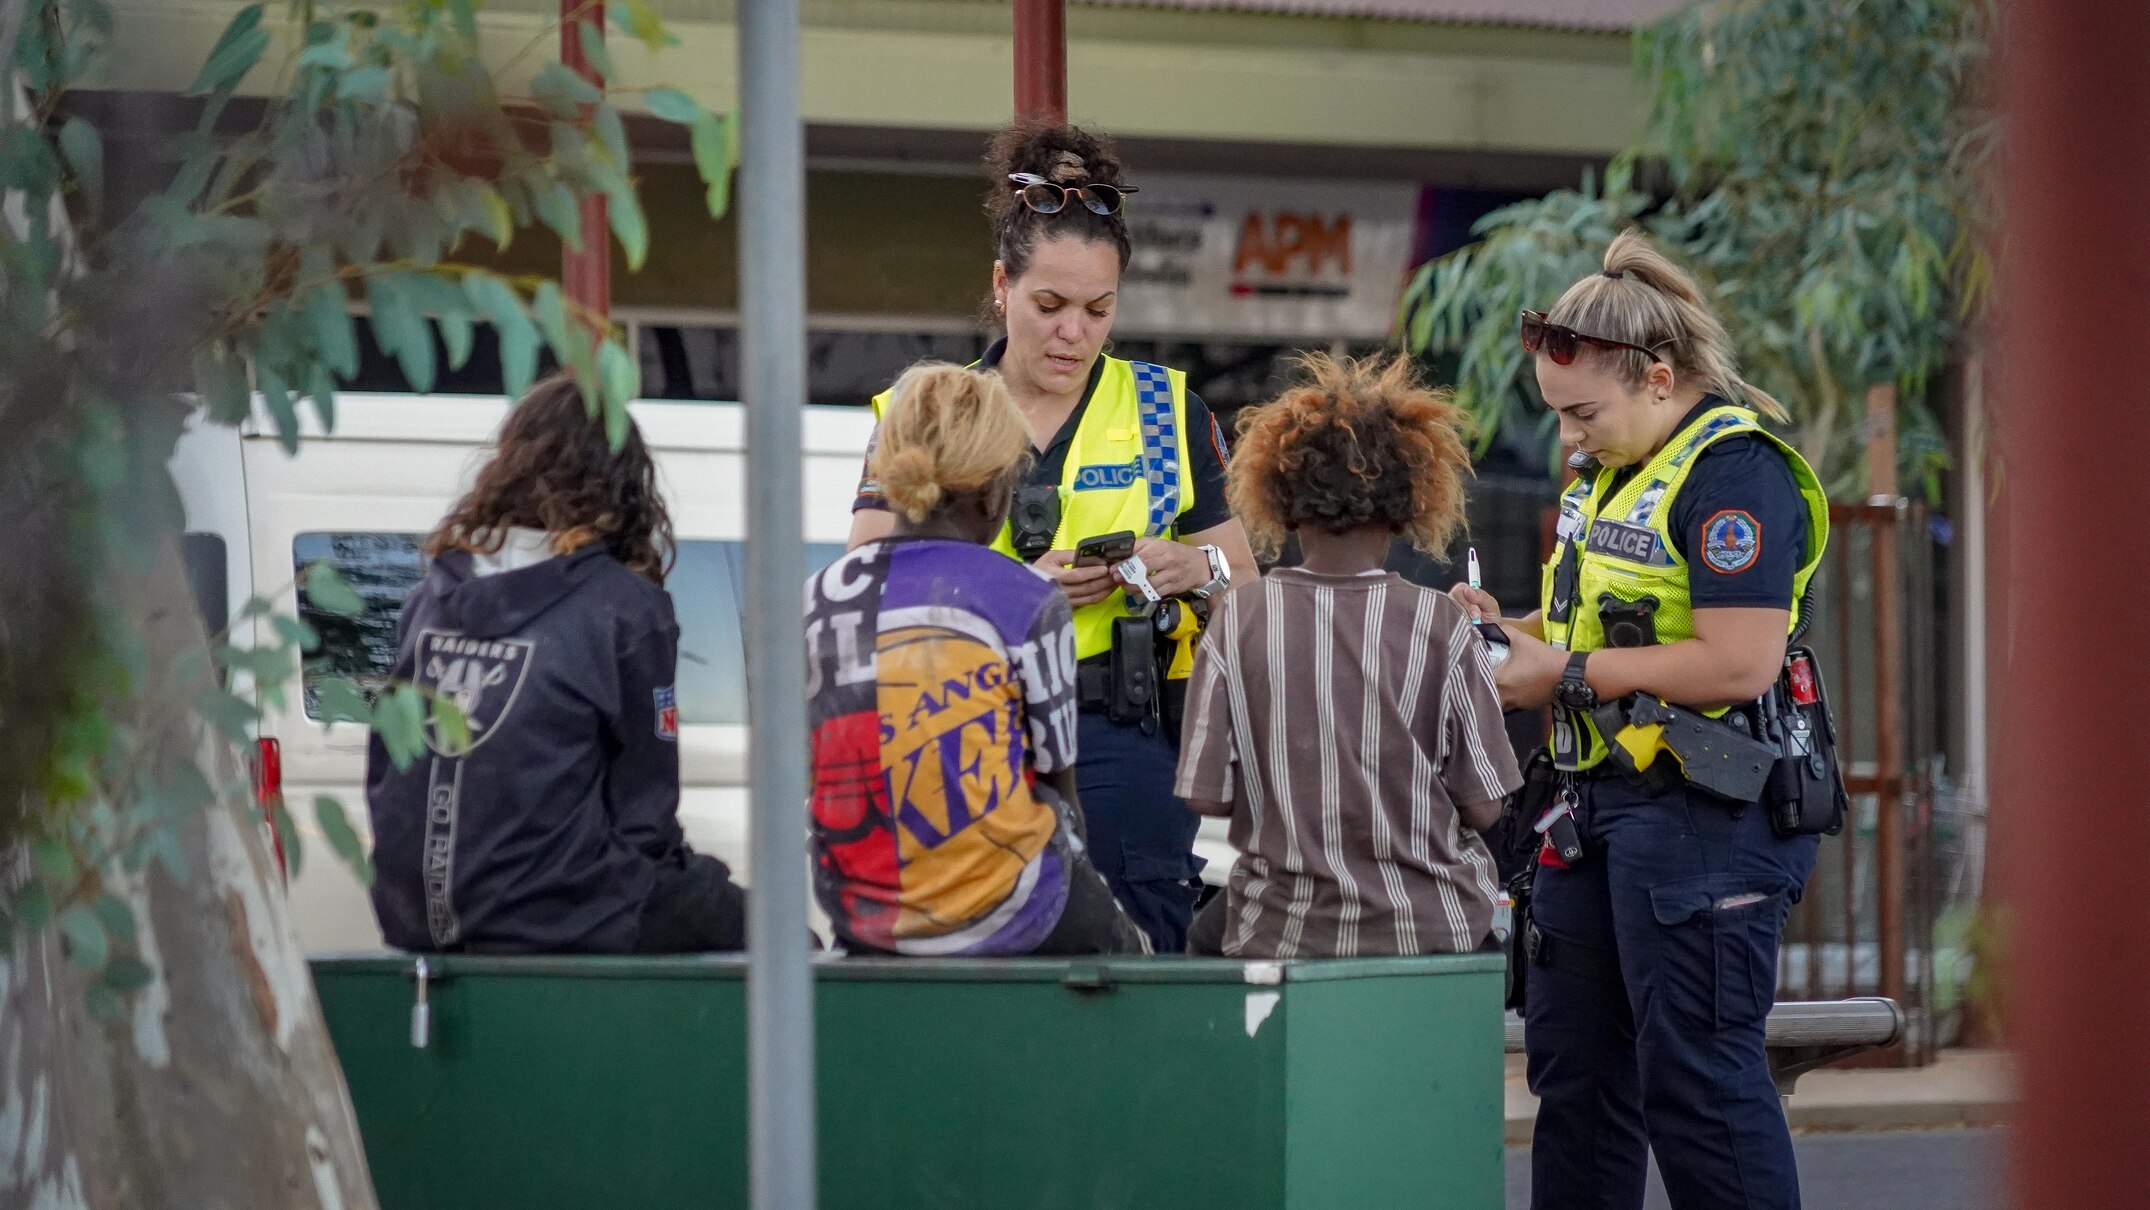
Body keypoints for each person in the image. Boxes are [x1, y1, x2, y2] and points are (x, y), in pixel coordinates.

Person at [1450, 231, 1831, 1210]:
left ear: (1657, 378)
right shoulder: (1610, 472)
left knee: (1697, 1086)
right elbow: (1595, 623)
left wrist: (1559, 671)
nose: (1567, 439)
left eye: (1581, 413)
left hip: (1706, 811)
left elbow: (1737, 659)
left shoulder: (1731, 470)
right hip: (1593, 810)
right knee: (1574, 1083)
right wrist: (1508, 632)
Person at [847, 119, 1257, 953]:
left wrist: (1191, 564)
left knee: (1139, 968)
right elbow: (864, 583)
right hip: (956, 722)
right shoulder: (928, 409)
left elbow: (1246, 581)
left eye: (1098, 310)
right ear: (1001, 285)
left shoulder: (1166, 408)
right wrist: (1017, 592)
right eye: (1050, 305)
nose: (1074, 332)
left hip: (1123, 728)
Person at [365, 375, 747, 954]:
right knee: (774, 932)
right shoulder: (624, 609)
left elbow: (385, 773)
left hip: (411, 917)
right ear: (624, 487)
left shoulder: (428, 598)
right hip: (559, 914)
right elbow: (645, 819)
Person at [1173, 353, 1520, 958]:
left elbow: (1206, 796)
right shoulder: (1443, 625)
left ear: (1276, 497)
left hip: (1283, 929)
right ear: (1410, 502)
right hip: (1431, 928)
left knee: (1198, 944)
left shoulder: (1241, 617)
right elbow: (1488, 805)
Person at [807, 363, 1148, 956]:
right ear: (996, 492)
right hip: (1014, 912)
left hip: (862, 915)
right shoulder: (1023, 594)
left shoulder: (816, 597)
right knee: (1134, 961)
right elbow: (1059, 786)